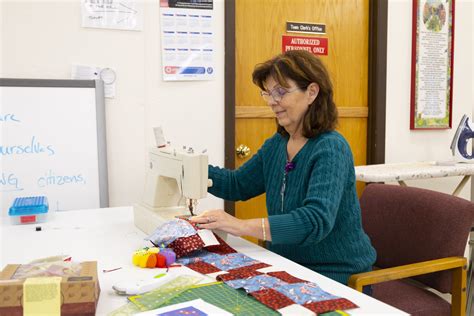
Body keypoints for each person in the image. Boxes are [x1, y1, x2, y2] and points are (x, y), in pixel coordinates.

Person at [190, 50, 376, 287]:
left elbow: (314, 221)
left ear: (312, 92)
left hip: (335, 274)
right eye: (267, 93)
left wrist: (240, 226)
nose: (271, 101)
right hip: (285, 264)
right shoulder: (277, 145)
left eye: (280, 92)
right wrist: (192, 167)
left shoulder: (331, 148)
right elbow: (237, 185)